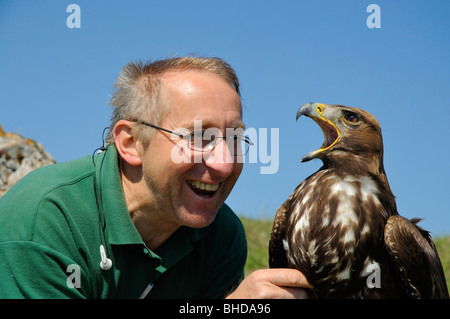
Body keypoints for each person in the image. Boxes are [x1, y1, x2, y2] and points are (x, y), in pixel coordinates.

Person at [0, 56, 310, 298]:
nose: (225, 165)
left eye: (234, 139)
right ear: (131, 143)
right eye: (199, 137)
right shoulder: (46, 220)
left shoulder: (221, 236)